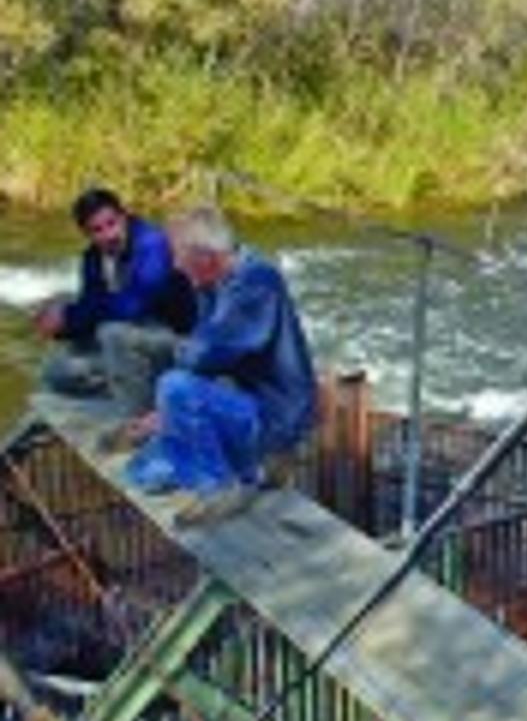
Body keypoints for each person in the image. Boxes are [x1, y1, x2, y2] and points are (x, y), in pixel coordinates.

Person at [126, 205, 317, 525]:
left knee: (172, 385)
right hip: (238, 403)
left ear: (205, 257)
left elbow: (203, 355)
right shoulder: (212, 285)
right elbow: (203, 361)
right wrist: (168, 414)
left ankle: (222, 487)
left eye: (178, 256)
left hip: (272, 419)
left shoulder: (257, 282)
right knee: (143, 472)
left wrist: (176, 387)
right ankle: (247, 471)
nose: (174, 265)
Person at [35, 187, 196, 416]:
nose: (108, 235)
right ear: (86, 234)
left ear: (124, 216)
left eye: (112, 223)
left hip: (175, 341)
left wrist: (68, 316)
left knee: (111, 332)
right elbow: (89, 310)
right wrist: (58, 326)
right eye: (97, 230)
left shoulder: (153, 244)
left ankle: (138, 419)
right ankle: (135, 387)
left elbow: (134, 304)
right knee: (55, 373)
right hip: (129, 344)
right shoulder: (92, 259)